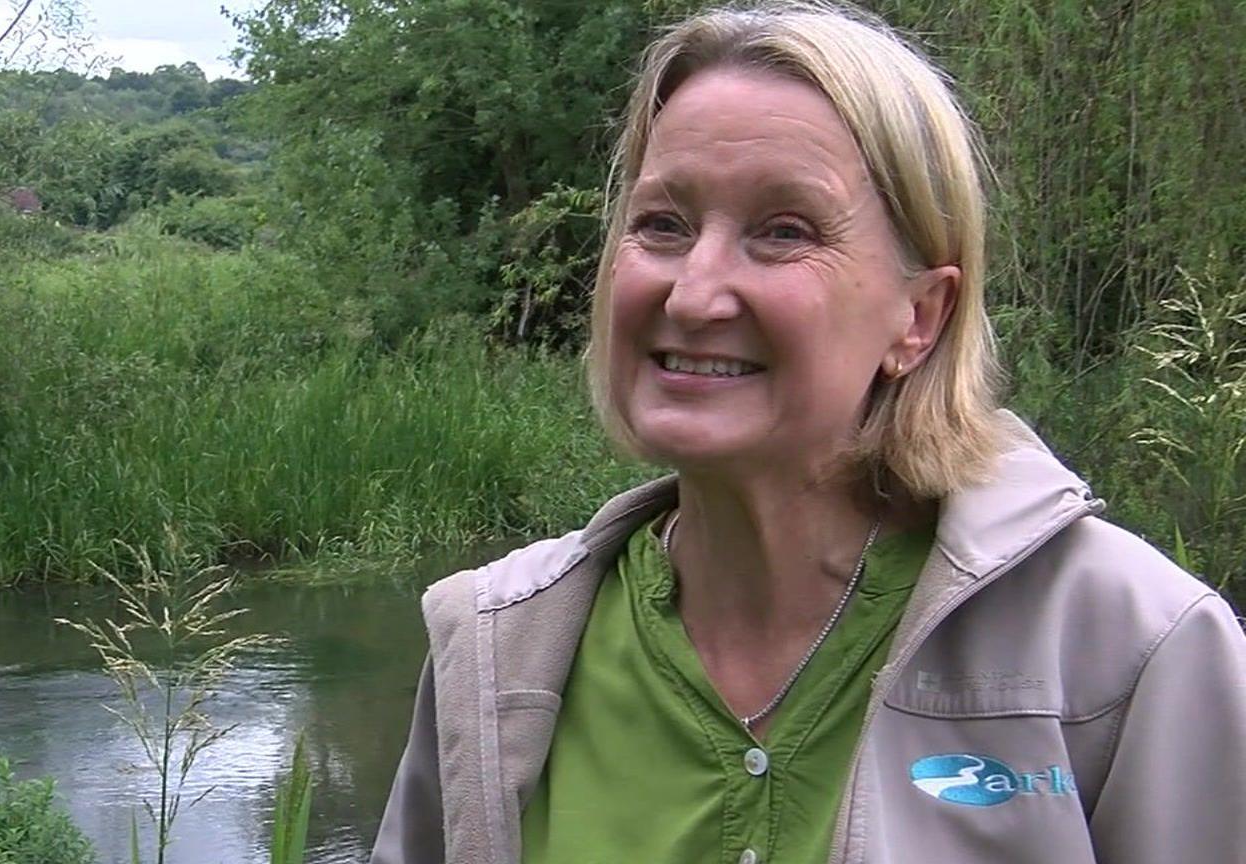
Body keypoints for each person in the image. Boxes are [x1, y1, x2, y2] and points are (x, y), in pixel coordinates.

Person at [369, 3, 1246, 862]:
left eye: (784, 231)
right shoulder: (492, 653)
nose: (694, 293)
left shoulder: (1133, 648)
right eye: (662, 225)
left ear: (920, 318)